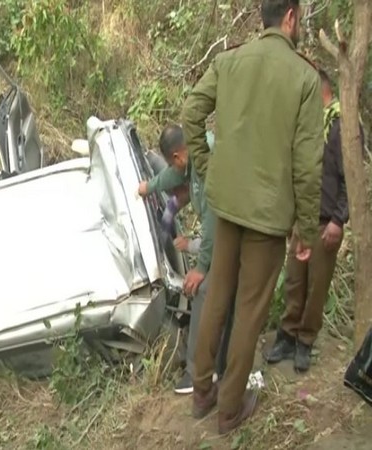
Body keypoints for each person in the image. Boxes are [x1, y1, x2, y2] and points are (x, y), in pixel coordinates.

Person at [181, 0, 324, 435]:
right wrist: (307, 227)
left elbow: (190, 115)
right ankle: (229, 410)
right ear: (292, 18)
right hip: (267, 217)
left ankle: (201, 391)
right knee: (249, 312)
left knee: (217, 296)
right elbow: (307, 165)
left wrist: (208, 168)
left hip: (227, 207)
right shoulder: (304, 77)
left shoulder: (229, 60)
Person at [266, 68, 364, 372]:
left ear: (319, 91)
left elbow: (352, 177)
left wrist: (338, 220)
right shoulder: (308, 125)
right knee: (295, 279)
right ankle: (287, 335)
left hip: (325, 221)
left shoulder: (342, 125)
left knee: (316, 286)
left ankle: (306, 341)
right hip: (301, 220)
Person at [138, 124, 233, 395]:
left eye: (174, 165)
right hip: (228, 234)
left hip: (237, 236)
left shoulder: (207, 166)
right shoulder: (196, 151)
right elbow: (171, 176)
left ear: (179, 156)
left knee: (203, 289)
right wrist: (151, 186)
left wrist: (200, 266)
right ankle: (216, 364)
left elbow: (215, 223)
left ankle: (198, 373)